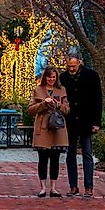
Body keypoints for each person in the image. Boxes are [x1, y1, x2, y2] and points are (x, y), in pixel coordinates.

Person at [60, 51, 103, 197]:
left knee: (87, 154)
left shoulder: (91, 76)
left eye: (73, 66)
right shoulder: (63, 78)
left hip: (87, 120)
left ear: (79, 62)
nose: (71, 69)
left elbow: (98, 100)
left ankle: (89, 186)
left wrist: (96, 122)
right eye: (69, 66)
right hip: (70, 121)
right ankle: (73, 185)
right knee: (70, 154)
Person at [27, 66, 70, 197]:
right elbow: (31, 110)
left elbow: (67, 109)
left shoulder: (62, 90)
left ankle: (54, 188)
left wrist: (58, 104)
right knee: (43, 159)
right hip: (43, 127)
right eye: (49, 77)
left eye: (54, 77)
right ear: (45, 77)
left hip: (57, 127)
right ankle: (43, 188)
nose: (51, 79)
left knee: (56, 159)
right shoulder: (37, 90)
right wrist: (43, 104)